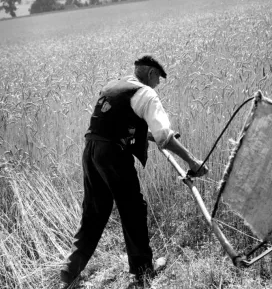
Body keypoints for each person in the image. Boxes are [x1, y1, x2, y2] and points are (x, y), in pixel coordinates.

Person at [60, 54, 208, 288]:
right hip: (112, 155)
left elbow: (114, 125)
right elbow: (164, 137)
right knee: (133, 209)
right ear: (151, 73)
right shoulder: (147, 94)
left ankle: (69, 271)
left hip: (91, 150)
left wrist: (145, 136)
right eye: (158, 77)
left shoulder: (113, 85)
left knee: (93, 212)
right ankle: (142, 273)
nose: (158, 83)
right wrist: (192, 161)